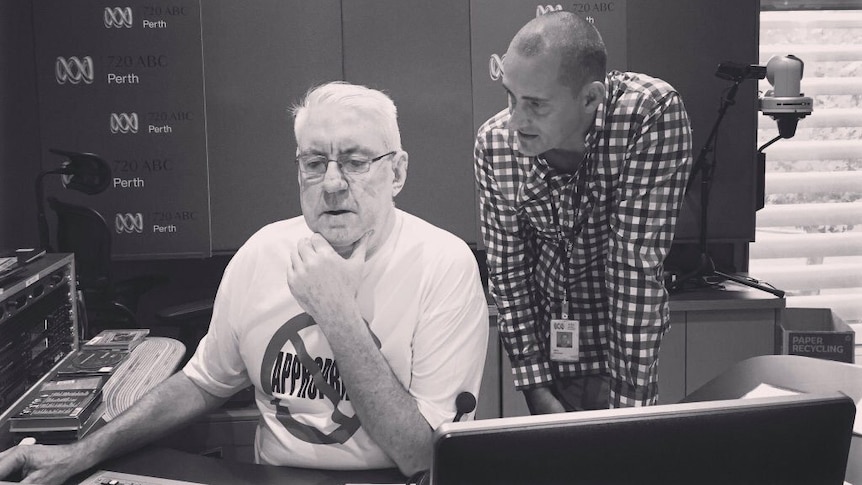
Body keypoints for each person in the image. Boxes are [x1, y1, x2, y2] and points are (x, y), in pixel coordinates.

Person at [0, 81, 489, 484]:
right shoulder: (262, 252)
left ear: (397, 171)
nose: (334, 183)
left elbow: (421, 455)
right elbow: (202, 384)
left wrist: (336, 313)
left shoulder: (443, 264)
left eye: (357, 162)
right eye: (315, 163)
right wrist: (80, 455)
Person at [474, 11, 693, 414]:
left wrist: (629, 412)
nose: (517, 120)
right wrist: (535, 387)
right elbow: (508, 273)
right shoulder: (494, 144)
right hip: (548, 351)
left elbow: (635, 271)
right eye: (511, 97)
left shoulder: (649, 114)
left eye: (536, 105)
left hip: (624, 352)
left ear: (590, 98)